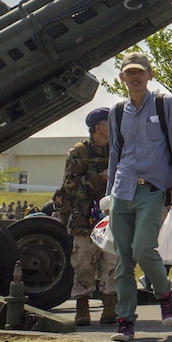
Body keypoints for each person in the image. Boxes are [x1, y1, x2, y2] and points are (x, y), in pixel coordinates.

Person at [106, 51, 172, 342]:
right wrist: (108, 197)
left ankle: (164, 293)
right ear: (122, 77)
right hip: (122, 189)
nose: (134, 77)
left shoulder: (164, 103)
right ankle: (125, 321)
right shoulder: (117, 110)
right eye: (129, 73)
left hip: (153, 188)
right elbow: (115, 153)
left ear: (150, 75)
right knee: (123, 259)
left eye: (139, 72)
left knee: (143, 248)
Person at [63, 106, 118, 326]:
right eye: (109, 122)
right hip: (84, 219)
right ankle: (82, 306)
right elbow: (70, 186)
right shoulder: (79, 152)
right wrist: (100, 179)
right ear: (98, 127)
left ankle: (110, 306)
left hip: (113, 218)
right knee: (84, 263)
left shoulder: (119, 150)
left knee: (112, 262)